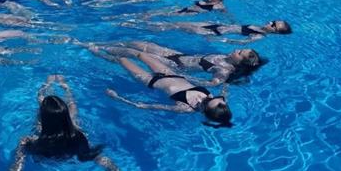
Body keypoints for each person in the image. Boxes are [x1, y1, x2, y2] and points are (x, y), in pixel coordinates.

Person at [0, 75, 145, 171]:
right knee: (73, 111)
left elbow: (16, 167)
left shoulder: (29, 141)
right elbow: (99, 159)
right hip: (67, 145)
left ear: (41, 118)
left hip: (46, 147)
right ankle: (65, 87)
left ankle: (47, 85)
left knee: (47, 105)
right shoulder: (77, 137)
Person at [86, 47, 232, 127]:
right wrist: (228, 79)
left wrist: (117, 97)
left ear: (207, 110)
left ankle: (96, 51)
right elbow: (225, 91)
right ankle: (105, 46)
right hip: (170, 73)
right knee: (140, 54)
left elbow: (144, 106)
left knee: (122, 60)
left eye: (210, 102)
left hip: (150, 80)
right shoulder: (215, 98)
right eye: (221, 101)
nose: (221, 100)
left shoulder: (185, 108)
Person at [88, 41, 263, 86]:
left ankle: (96, 50)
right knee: (138, 44)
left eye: (240, 53)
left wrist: (182, 77)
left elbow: (212, 83)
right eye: (240, 49)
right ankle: (102, 45)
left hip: (175, 66)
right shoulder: (226, 56)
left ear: (240, 62)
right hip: (176, 55)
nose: (236, 50)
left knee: (134, 54)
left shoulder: (223, 70)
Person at [122, 19, 292, 43]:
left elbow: (239, 42)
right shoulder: (258, 26)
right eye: (273, 21)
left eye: (274, 25)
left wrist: (218, 40)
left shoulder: (259, 36)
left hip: (214, 33)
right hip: (214, 25)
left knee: (175, 27)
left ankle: (135, 26)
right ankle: (140, 24)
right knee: (176, 23)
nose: (270, 22)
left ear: (275, 32)